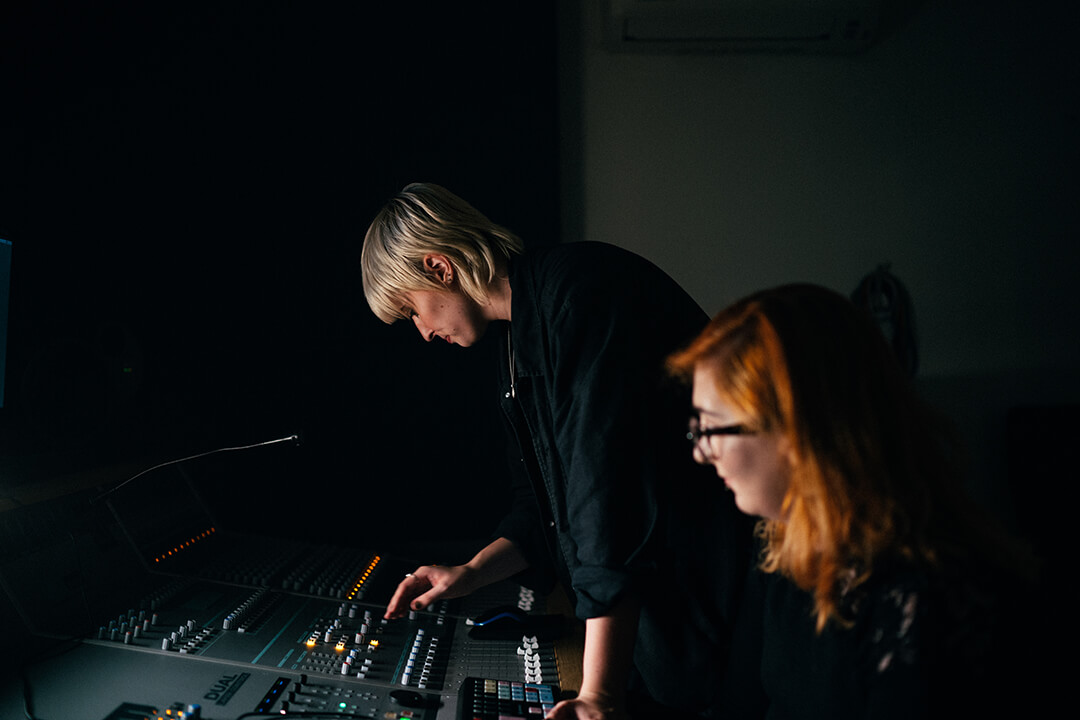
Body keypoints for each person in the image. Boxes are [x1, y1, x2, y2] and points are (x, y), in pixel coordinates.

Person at [361, 183, 752, 719]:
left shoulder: (580, 292)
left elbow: (605, 496)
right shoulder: (517, 339)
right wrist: (472, 572)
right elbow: (541, 505)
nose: (423, 333)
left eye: (412, 311)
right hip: (653, 633)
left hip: (717, 617)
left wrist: (599, 694)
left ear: (438, 267)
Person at [667, 283, 1039, 719]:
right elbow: (739, 706)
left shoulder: (927, 602)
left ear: (798, 427)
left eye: (712, 428)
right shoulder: (780, 544)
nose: (699, 451)